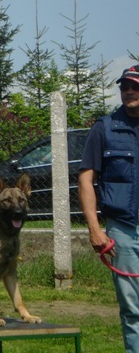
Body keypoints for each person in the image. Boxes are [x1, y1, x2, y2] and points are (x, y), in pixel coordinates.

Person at [79, 64, 139, 353]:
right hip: (123, 230)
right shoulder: (104, 128)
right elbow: (86, 178)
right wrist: (94, 229)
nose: (128, 91)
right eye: (124, 86)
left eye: (135, 86)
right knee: (132, 309)